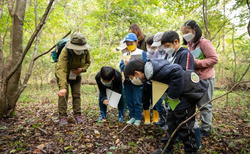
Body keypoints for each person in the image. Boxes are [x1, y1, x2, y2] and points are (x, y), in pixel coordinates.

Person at [124, 59, 208, 154]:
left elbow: (177, 69)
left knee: (186, 128)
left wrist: (172, 95)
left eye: (131, 77)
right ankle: (167, 148)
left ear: (137, 73)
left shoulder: (152, 71)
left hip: (184, 99)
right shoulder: (150, 73)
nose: (132, 80)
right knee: (171, 123)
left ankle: (191, 151)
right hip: (175, 102)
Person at [181, 20, 219, 138]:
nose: (185, 35)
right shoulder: (190, 44)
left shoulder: (204, 43)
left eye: (187, 32)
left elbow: (214, 59)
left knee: (205, 105)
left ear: (195, 30)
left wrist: (196, 62)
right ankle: (198, 127)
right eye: (183, 33)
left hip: (206, 78)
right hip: (195, 79)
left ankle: (206, 129)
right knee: (196, 103)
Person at [56, 32, 91, 125]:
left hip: (76, 75)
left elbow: (88, 62)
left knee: (76, 94)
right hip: (64, 75)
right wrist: (63, 87)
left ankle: (77, 115)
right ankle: (62, 116)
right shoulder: (65, 51)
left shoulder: (86, 51)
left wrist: (81, 70)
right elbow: (61, 69)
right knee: (64, 94)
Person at [119, 33, 147, 126]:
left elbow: (145, 66)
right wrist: (125, 64)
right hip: (127, 80)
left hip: (137, 81)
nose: (129, 46)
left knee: (137, 100)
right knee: (129, 99)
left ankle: (138, 118)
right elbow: (121, 67)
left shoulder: (142, 53)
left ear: (136, 42)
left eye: (131, 43)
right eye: (127, 44)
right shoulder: (125, 54)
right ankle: (132, 117)